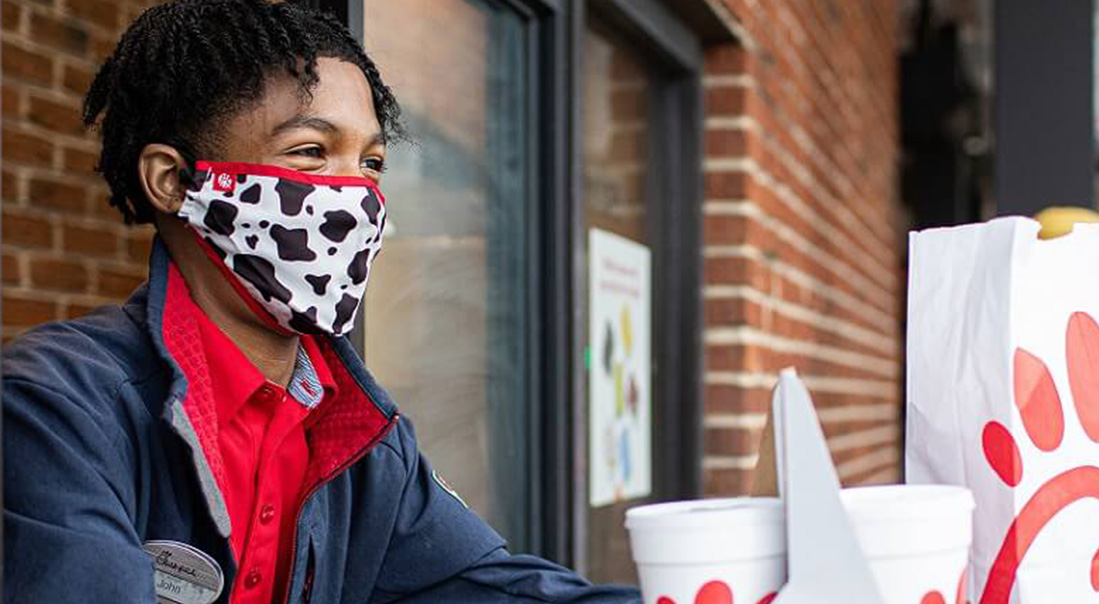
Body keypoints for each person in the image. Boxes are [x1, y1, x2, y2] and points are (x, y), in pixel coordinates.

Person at [1, 2, 640, 602]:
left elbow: (487, 586)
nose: (355, 196)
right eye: (311, 153)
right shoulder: (54, 406)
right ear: (172, 181)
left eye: (371, 162)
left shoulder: (354, 429)